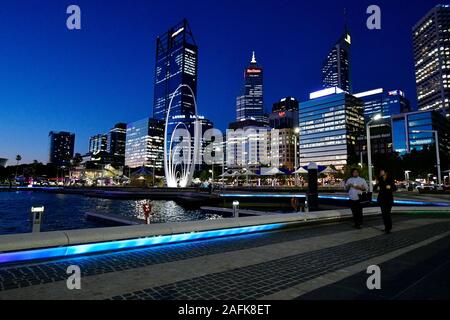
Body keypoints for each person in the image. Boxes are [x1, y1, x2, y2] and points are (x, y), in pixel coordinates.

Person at [376, 169, 397, 234]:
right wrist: (376, 187)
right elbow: (375, 189)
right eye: (380, 172)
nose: (380, 172)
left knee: (387, 214)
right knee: (384, 214)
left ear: (385, 173)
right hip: (381, 199)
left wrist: (390, 187)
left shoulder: (390, 179)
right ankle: (386, 227)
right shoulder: (379, 179)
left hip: (388, 199)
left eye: (382, 171)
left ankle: (388, 228)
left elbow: (395, 188)